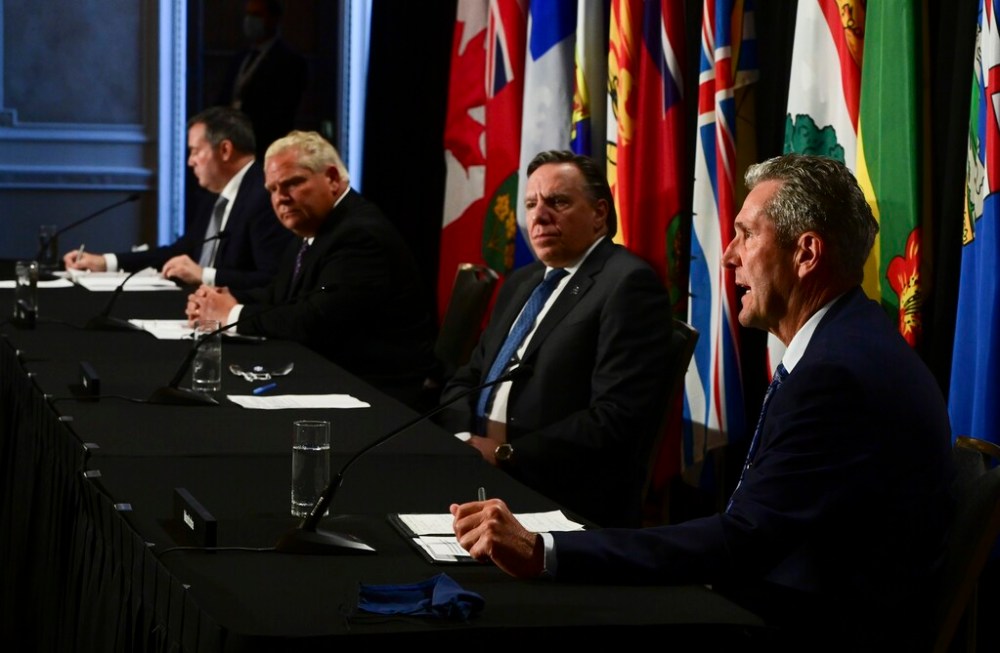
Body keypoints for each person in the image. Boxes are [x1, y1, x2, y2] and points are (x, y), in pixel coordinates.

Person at [450, 154, 955, 650]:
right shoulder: (849, 339)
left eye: (747, 235)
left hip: (818, 624)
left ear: (806, 254)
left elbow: (740, 545)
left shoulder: (836, 374)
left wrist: (544, 550)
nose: (728, 255)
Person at [435, 150, 674, 529]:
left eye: (557, 202)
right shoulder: (522, 282)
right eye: (530, 204)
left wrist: (505, 453)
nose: (539, 216)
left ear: (599, 214)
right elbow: (468, 378)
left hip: (552, 491)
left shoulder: (626, 284)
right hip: (478, 474)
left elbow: (614, 418)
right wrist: (466, 440)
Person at [185, 130, 436, 408]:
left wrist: (231, 313)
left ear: (331, 178)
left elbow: (313, 320)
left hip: (376, 390)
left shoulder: (359, 235)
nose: (281, 198)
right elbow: (282, 297)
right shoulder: (315, 228)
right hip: (335, 372)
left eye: (293, 183)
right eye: (272, 189)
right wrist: (220, 299)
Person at [64, 107, 292, 289]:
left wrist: (205, 275)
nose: (190, 161)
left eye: (194, 151)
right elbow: (180, 251)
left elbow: (270, 280)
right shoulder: (215, 195)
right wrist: (106, 262)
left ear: (224, 150)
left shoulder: (265, 195)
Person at [217, 0, 307, 159]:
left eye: (257, 15)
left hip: (264, 149)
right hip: (231, 144)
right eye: (248, 14)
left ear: (274, 19)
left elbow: (280, 113)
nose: (250, 21)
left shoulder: (289, 62)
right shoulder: (241, 58)